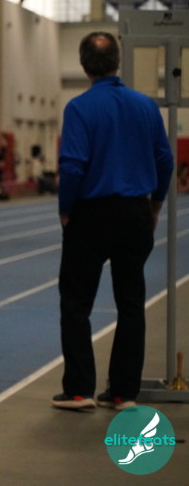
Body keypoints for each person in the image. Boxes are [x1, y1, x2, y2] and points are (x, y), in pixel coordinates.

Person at [52, 31, 174, 411]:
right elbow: (165, 161)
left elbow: (73, 166)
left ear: (83, 64)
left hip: (91, 213)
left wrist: (66, 208)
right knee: (131, 303)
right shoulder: (145, 106)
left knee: (76, 302)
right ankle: (123, 393)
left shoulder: (79, 108)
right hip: (135, 212)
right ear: (118, 62)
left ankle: (79, 390)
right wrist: (155, 205)